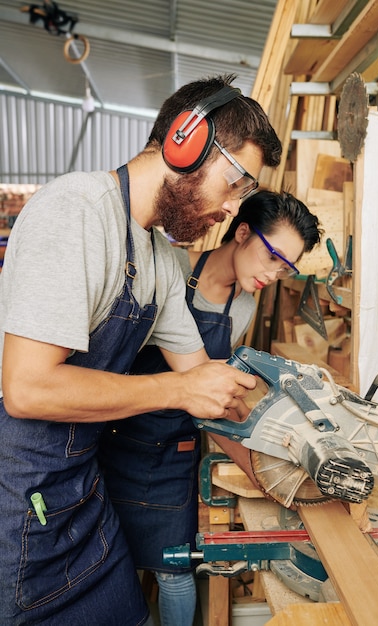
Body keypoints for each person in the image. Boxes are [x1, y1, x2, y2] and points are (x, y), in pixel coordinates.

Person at [0, 74, 282, 625]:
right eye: (234, 183)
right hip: (23, 502)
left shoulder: (156, 256)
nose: (230, 209)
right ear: (185, 140)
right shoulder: (77, 211)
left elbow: (204, 380)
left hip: (85, 492)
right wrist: (178, 389)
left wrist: (284, 468)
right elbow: (27, 388)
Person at [98, 189, 323, 626]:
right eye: (273, 255)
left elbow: (214, 396)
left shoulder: (242, 303)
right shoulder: (175, 270)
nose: (275, 273)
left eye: (286, 266)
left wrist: (270, 466)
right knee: (111, 561)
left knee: (176, 569)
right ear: (242, 232)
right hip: (120, 436)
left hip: (175, 450)